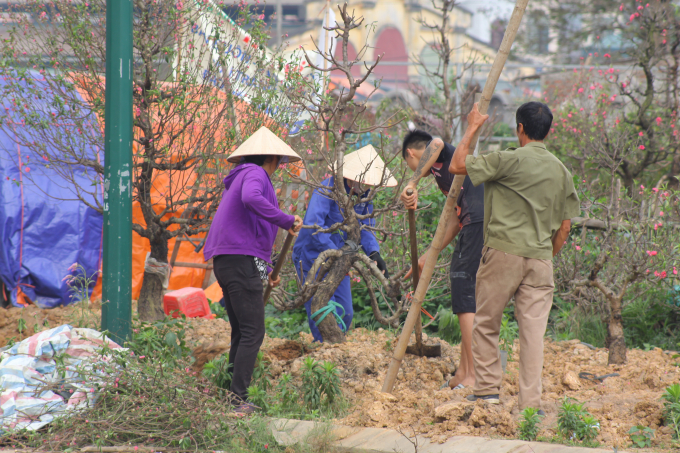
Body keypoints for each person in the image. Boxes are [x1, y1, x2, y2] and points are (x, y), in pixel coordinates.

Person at [443, 101, 580, 411]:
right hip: (540, 260)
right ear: (548, 131)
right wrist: (546, 254)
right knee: (533, 334)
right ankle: (530, 404)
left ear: (520, 129)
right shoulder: (561, 172)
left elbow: (457, 164)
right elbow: (565, 227)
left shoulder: (506, 160)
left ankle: (488, 392)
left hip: (502, 253)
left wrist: (473, 127)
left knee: (487, 323)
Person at [203, 126, 303, 414]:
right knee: (253, 332)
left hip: (229, 260)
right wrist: (285, 219)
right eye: (280, 162)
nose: (280, 168)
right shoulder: (255, 173)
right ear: (271, 158)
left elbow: (252, 232)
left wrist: (266, 273)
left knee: (241, 331)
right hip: (238, 258)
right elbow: (251, 199)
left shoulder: (242, 175)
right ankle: (238, 400)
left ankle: (232, 398)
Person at [400, 130, 484, 391]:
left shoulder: (442, 153)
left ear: (411, 154)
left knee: (464, 293)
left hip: (479, 222)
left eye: (409, 165)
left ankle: (473, 376)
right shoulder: (442, 175)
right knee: (465, 295)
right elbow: (454, 219)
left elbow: (435, 142)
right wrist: (428, 255)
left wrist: (412, 182)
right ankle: (463, 372)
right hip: (472, 223)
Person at [292, 145, 397, 342]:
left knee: (346, 311)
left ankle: (335, 347)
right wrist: (336, 251)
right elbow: (314, 225)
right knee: (323, 309)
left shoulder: (364, 197)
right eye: (363, 181)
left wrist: (374, 253)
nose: (365, 186)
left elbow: (364, 228)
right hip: (311, 255)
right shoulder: (327, 189)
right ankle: (324, 352)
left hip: (340, 256)